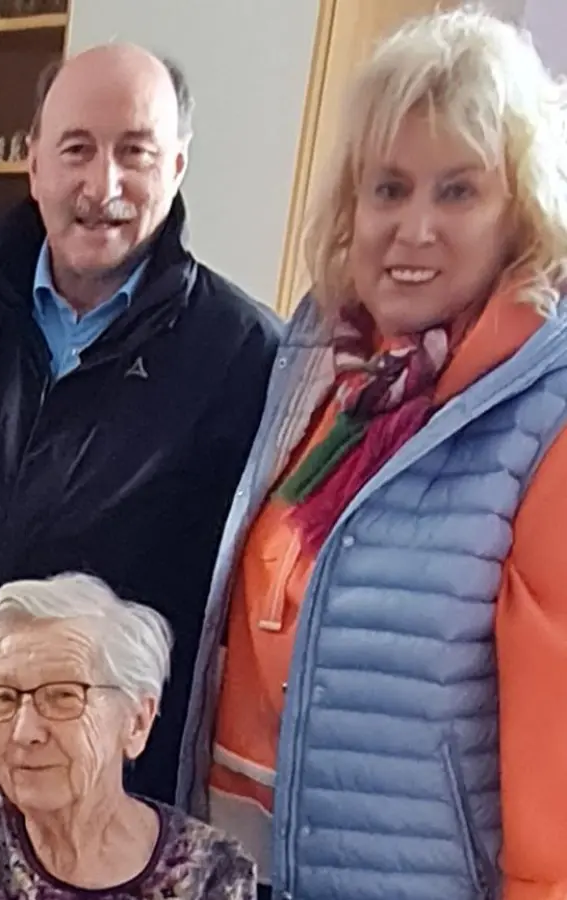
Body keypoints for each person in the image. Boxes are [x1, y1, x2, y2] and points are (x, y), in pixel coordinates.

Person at [177, 10, 567, 900]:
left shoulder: (544, 412)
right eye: (388, 188)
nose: (413, 228)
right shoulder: (322, 363)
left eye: (457, 191)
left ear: (521, 212)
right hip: (243, 857)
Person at [0, 42, 281, 828]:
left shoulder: (240, 353)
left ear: (178, 166)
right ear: (32, 166)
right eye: (77, 150)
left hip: (125, 802)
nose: (104, 185)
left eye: (135, 152)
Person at [0, 574, 255, 898]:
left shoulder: (209, 871)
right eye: (3, 698)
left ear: (137, 722)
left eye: (63, 696)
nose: (24, 731)